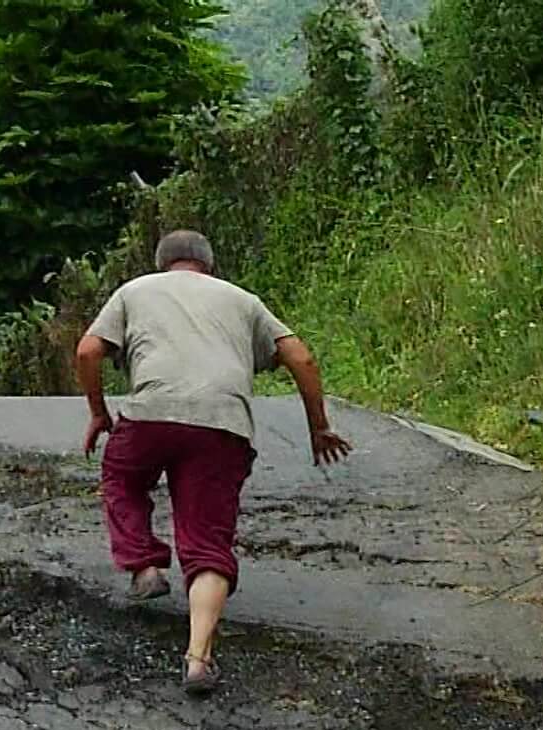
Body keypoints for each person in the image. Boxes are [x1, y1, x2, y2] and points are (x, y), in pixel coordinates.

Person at [74, 229, 351, 695]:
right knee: (207, 542)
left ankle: (144, 567)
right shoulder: (243, 300)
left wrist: (100, 414)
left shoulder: (134, 290)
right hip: (223, 428)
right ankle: (198, 659)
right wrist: (318, 427)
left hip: (150, 416)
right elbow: (300, 357)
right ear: (210, 265)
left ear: (161, 261)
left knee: (123, 478)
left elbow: (87, 350)